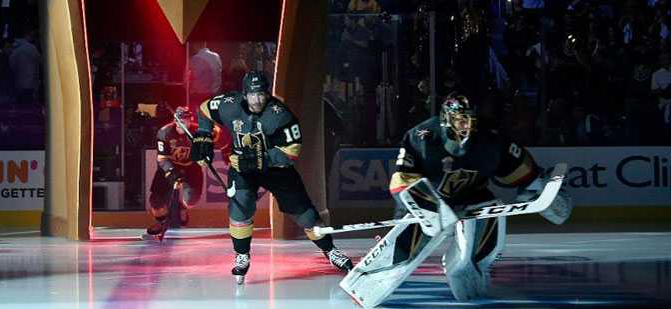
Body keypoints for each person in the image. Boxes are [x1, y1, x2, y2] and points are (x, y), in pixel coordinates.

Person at [378, 93, 571, 302]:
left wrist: (539, 188)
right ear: (446, 119)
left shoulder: (492, 138)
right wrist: (424, 209)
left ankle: (473, 268)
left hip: (473, 197)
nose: (467, 126)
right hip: (432, 199)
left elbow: (521, 170)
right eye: (461, 119)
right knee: (409, 238)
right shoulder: (421, 136)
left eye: (470, 119)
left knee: (492, 214)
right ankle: (387, 263)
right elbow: (402, 181)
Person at [191, 70, 353, 283]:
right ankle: (242, 255)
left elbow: (292, 150)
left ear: (267, 93)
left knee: (305, 215)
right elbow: (204, 109)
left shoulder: (280, 114)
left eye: (262, 94)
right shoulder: (228, 104)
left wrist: (259, 161)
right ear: (244, 94)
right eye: (252, 94)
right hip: (242, 170)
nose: (257, 100)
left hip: (277, 169)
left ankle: (330, 251)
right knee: (241, 209)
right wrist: (203, 135)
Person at [146, 107, 203, 237]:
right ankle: (161, 222)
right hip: (170, 165)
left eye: (187, 120)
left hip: (191, 167)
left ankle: (182, 206)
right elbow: (162, 158)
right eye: (181, 121)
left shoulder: (199, 131)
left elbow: (208, 147)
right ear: (175, 121)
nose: (184, 124)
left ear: (191, 121)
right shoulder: (164, 132)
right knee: (156, 200)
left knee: (192, 200)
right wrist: (171, 173)